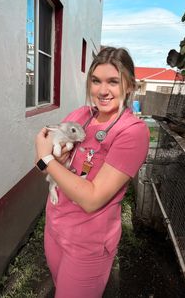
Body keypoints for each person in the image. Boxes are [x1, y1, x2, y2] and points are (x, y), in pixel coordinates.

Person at [35, 46, 150, 298]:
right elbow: (48, 161)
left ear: (129, 85)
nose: (102, 91)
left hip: (88, 245)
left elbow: (91, 199)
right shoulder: (81, 115)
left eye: (113, 82)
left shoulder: (132, 132)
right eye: (96, 81)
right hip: (55, 228)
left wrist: (46, 158)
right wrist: (54, 158)